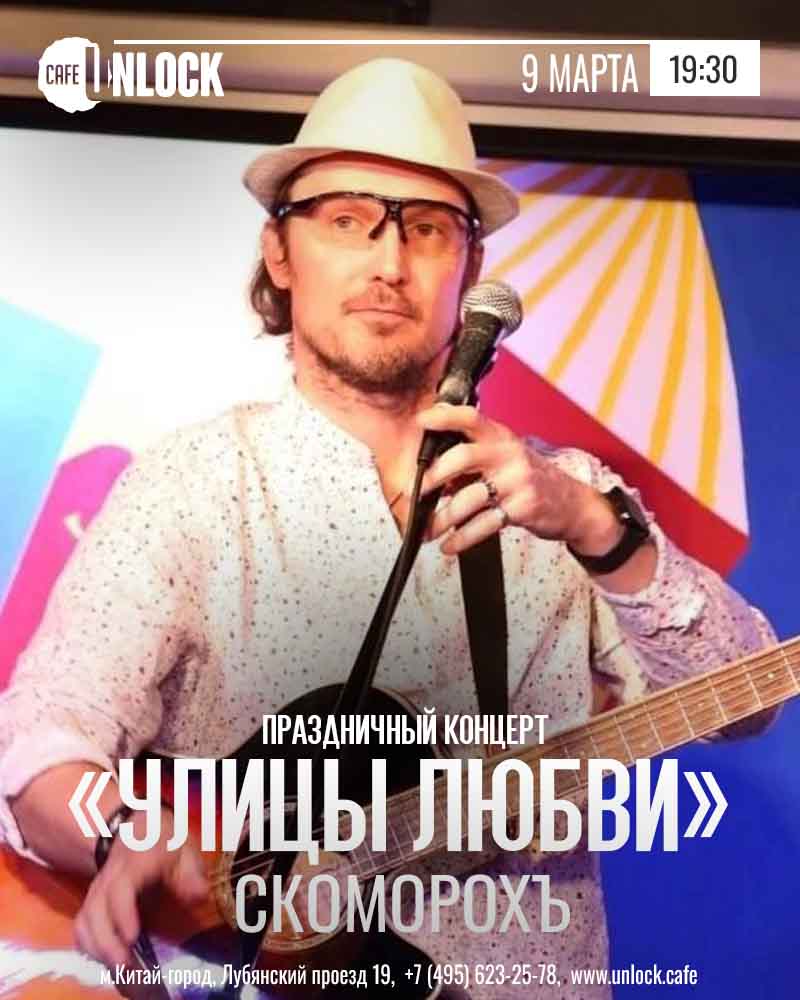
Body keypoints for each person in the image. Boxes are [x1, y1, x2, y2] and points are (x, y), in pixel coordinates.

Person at [0, 58, 778, 998]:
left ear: (471, 269)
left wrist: (595, 528)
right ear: (280, 253)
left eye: (427, 228)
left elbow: (746, 701)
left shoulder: (569, 496)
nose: (388, 263)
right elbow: (41, 743)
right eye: (345, 220)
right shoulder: (192, 488)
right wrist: (125, 836)